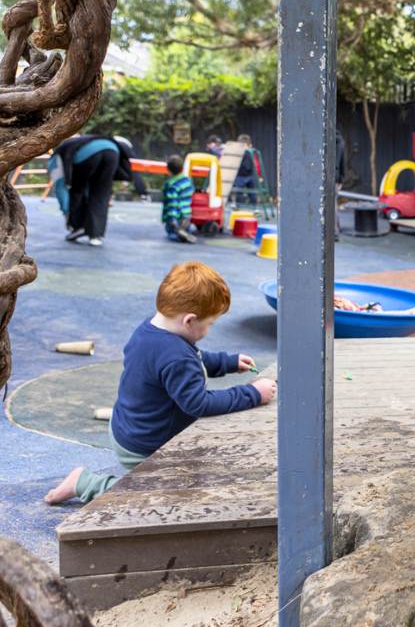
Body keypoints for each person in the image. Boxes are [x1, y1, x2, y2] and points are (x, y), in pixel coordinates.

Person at [44, 262, 277, 505]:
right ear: (189, 320)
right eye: (209, 324)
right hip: (146, 446)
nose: (209, 329)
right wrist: (252, 393)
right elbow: (199, 403)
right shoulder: (176, 356)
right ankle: (85, 482)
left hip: (128, 427)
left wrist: (226, 362)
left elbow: (192, 358)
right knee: (165, 496)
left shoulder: (152, 329)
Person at [54, 133, 141, 246]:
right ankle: (96, 236)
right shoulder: (82, 140)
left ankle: (77, 227)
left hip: (89, 155)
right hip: (113, 151)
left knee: (77, 189)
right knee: (101, 193)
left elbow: (61, 188)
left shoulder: (55, 158)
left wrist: (66, 214)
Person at [162, 154, 197, 243]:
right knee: (186, 228)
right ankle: (187, 230)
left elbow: (172, 204)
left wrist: (172, 219)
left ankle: (178, 235)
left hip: (177, 217)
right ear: (182, 168)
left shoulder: (171, 185)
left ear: (169, 170)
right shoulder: (188, 181)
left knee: (171, 233)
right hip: (186, 215)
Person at [232, 134, 258, 205]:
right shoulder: (251, 152)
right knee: (251, 192)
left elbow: (246, 166)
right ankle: (254, 205)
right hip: (250, 175)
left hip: (241, 176)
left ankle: (239, 205)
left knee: (239, 191)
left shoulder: (244, 153)